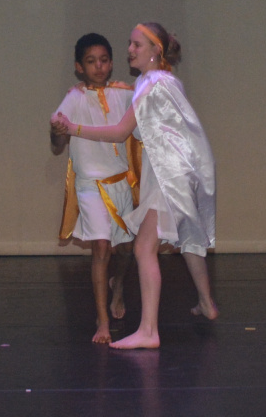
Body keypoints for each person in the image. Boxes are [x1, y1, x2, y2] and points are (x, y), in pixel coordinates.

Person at [53, 22, 217, 349]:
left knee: (143, 249)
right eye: (129, 44)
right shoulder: (155, 82)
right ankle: (206, 302)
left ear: (156, 50)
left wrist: (73, 128)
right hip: (175, 173)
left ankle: (149, 331)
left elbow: (119, 133)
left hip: (171, 175)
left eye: (136, 45)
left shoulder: (153, 85)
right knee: (188, 238)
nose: (129, 50)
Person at [49, 33, 139, 344]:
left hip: (120, 183)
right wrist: (57, 130)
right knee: (101, 246)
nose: (98, 66)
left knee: (125, 249)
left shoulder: (123, 94)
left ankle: (118, 285)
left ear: (111, 63)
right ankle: (102, 321)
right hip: (90, 186)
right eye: (91, 61)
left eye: (103, 60)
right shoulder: (74, 98)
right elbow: (58, 142)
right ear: (79, 67)